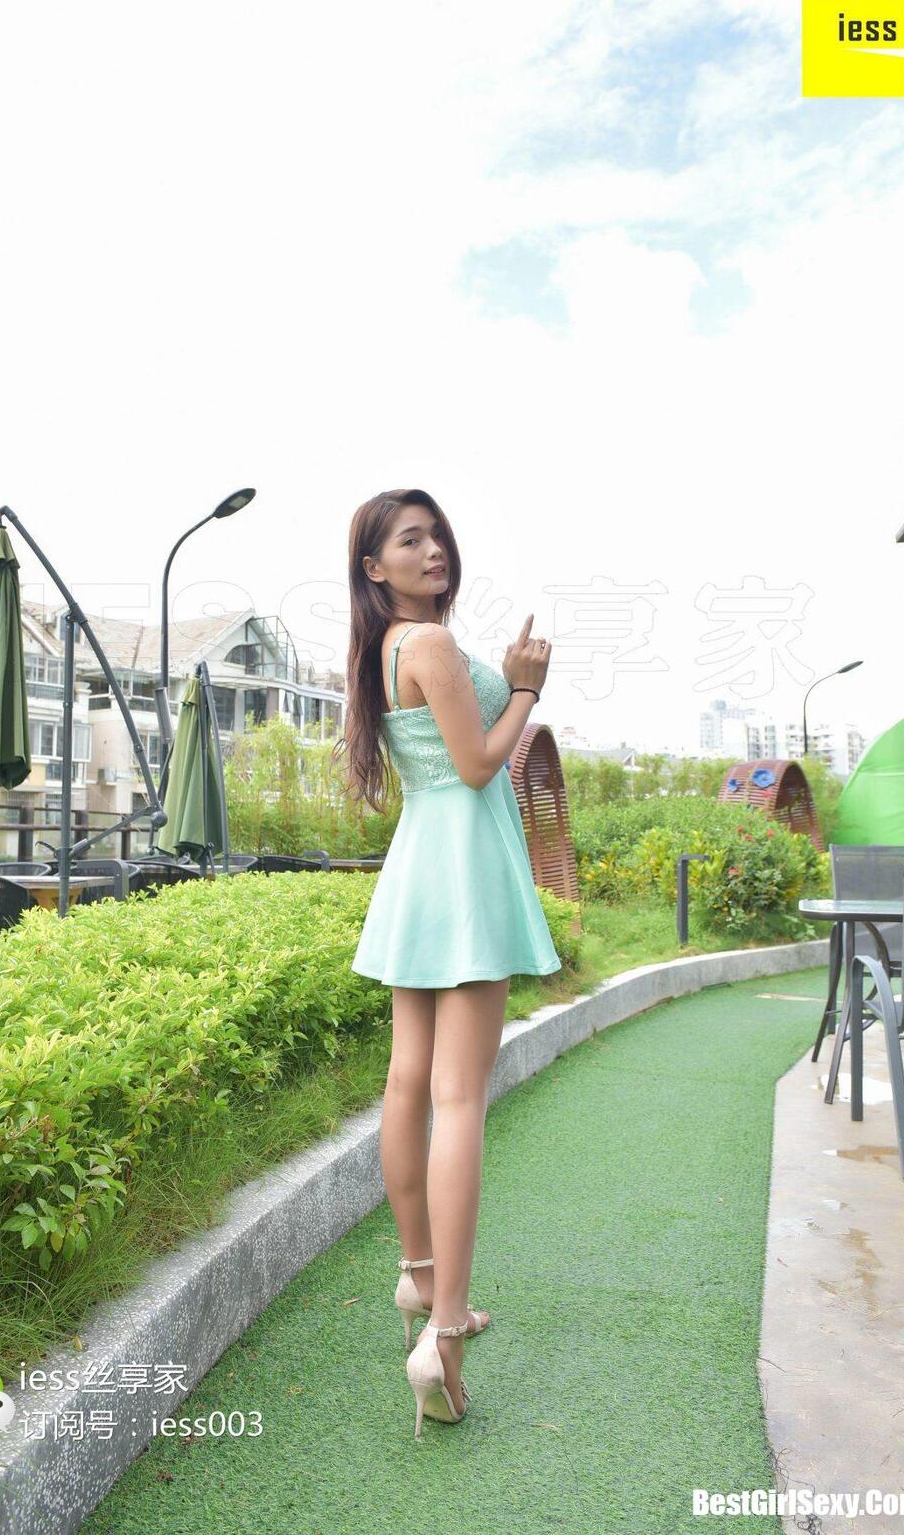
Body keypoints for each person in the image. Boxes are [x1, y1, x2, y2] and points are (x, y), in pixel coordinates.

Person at [335, 488, 558, 1438]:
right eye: (410, 540)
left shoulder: (384, 648)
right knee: (458, 1098)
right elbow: (479, 764)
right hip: (462, 862)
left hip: (422, 862)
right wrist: (526, 689)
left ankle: (420, 1279)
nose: (433, 551)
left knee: (409, 1081)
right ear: (374, 567)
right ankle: (447, 1334)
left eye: (437, 536)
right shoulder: (426, 641)